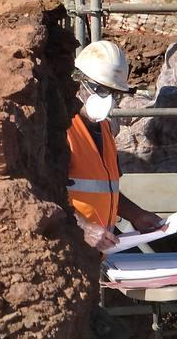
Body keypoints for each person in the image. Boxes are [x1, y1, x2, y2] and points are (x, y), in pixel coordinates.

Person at [66, 40, 164, 251]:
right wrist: (83, 227)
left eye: (115, 93)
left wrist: (136, 214)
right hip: (69, 248)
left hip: (94, 253)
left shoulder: (105, 130)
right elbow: (45, 194)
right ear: (78, 81)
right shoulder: (62, 129)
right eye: (101, 89)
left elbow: (104, 190)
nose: (108, 100)